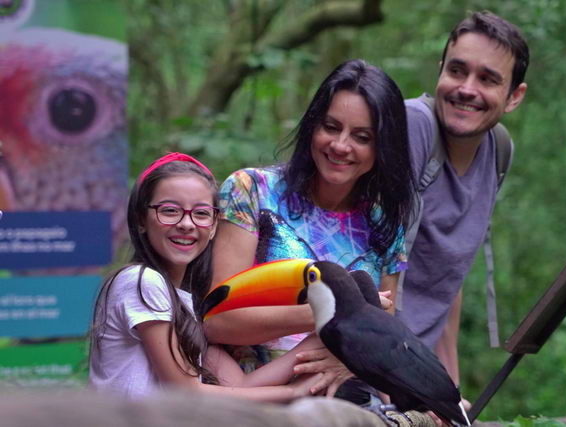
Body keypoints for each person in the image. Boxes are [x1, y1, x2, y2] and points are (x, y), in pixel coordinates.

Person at [204, 59, 416, 396]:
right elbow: (217, 322)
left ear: (381, 148)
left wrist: (351, 358)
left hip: (346, 404)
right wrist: (333, 315)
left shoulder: (384, 223)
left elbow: (383, 338)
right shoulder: (252, 191)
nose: (341, 145)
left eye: (361, 137)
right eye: (331, 127)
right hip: (251, 400)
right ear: (312, 126)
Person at [89, 152, 325, 401]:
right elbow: (186, 391)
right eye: (170, 211)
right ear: (141, 220)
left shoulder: (186, 305)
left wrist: (322, 337)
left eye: (201, 214)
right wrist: (292, 391)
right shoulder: (142, 281)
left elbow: (241, 386)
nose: (186, 224)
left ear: (213, 227)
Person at [398, 11, 529, 391]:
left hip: (417, 369)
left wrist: (448, 387)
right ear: (440, 70)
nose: (467, 88)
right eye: (457, 71)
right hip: (370, 365)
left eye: (488, 79)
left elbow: (446, 281)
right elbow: (366, 260)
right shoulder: (412, 126)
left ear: (514, 97)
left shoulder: (499, 150)